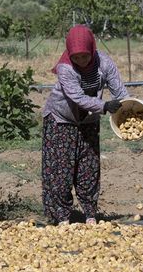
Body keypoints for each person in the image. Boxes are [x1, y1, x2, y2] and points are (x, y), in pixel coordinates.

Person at [42, 25, 129, 225]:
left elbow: (120, 91)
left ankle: (89, 213)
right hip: (61, 120)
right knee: (60, 170)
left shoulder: (104, 63)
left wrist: (129, 109)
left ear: (92, 50)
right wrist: (105, 106)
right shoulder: (65, 68)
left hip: (88, 121)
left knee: (88, 167)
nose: (81, 61)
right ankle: (61, 216)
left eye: (85, 56)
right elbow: (77, 98)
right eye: (76, 57)